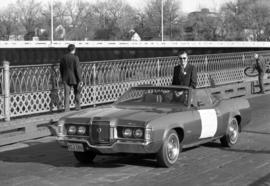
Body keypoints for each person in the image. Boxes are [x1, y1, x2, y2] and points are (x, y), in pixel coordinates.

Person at [60, 44, 82, 111]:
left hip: (65, 78)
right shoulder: (75, 58)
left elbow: (61, 68)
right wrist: (80, 80)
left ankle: (66, 109)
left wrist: (62, 76)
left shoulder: (63, 58)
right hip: (74, 78)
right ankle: (77, 107)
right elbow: (77, 69)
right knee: (77, 92)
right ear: (74, 50)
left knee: (66, 94)